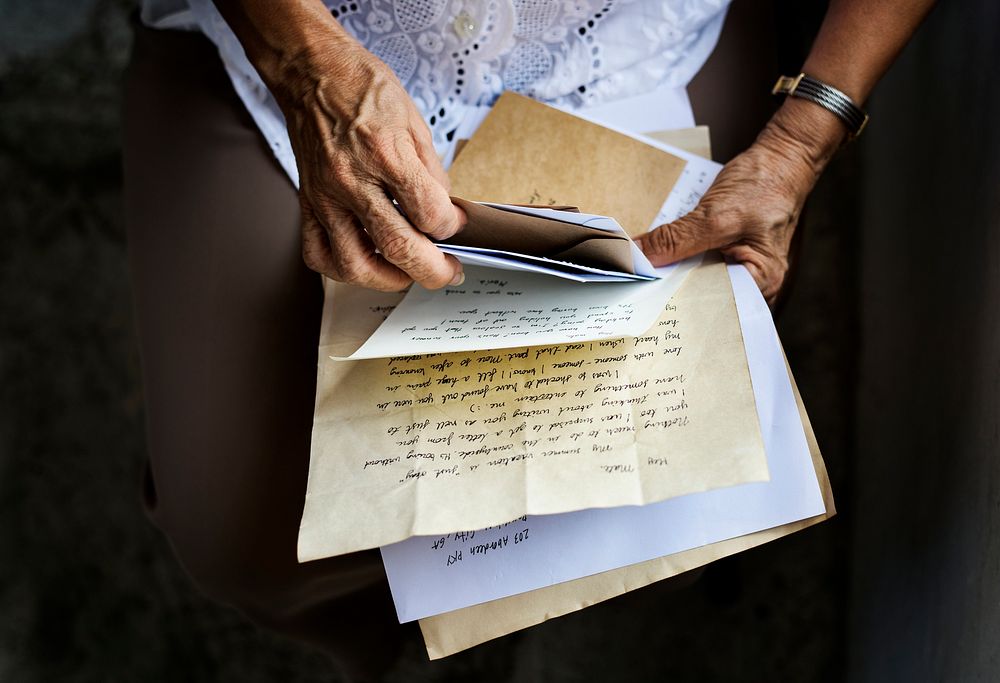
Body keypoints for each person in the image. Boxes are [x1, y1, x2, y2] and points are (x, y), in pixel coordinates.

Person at [123, 0, 933, 678]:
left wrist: (801, 136)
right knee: (247, 531)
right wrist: (306, 68)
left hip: (632, 44)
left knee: (680, 454)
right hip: (300, 39)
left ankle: (495, 617)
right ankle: (386, 640)